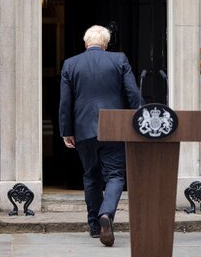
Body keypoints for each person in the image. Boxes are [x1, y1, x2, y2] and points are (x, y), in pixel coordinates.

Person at [59, 25, 142, 247]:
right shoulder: (119, 59)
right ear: (105, 44)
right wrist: (139, 120)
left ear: (86, 43)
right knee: (115, 175)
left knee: (91, 176)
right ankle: (107, 213)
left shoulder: (70, 64)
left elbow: (66, 102)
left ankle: (96, 227)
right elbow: (133, 93)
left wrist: (66, 131)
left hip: (83, 128)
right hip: (114, 126)